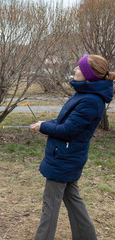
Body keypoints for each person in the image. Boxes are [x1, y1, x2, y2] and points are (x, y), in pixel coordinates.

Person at [30, 54, 114, 240]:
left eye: (78, 68)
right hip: (67, 156)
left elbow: (68, 130)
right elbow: (63, 122)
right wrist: (44, 123)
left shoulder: (90, 101)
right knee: (73, 200)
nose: (75, 70)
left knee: (49, 207)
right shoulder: (84, 94)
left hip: (65, 158)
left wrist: (43, 127)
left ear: (88, 74)